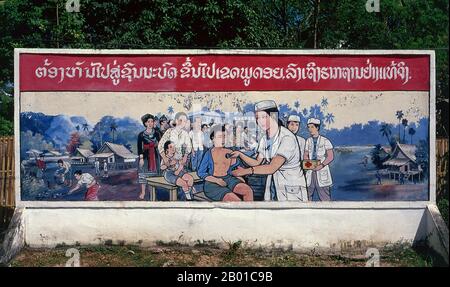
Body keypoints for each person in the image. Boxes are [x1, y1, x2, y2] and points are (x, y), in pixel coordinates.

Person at [230, 100, 308, 201]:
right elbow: (257, 162)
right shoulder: (264, 138)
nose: (260, 121)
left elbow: (272, 167)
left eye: (264, 117)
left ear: (274, 116)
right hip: (274, 185)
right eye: (257, 118)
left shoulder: (287, 137)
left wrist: (245, 171)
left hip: (292, 187)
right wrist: (240, 154)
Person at [197, 125, 253, 202]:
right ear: (213, 139)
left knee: (248, 190)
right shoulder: (208, 154)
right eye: (220, 137)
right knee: (236, 201)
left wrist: (239, 175)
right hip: (212, 183)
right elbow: (201, 173)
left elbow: (234, 168)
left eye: (224, 136)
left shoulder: (230, 152)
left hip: (228, 179)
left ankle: (250, 213)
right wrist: (217, 180)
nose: (223, 139)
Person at [304, 118, 334, 201]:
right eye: (309, 127)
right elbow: (305, 155)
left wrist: (321, 166)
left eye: (312, 127)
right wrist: (308, 164)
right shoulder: (308, 141)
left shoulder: (325, 141)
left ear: (317, 128)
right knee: (307, 196)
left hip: (322, 170)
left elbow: (330, 156)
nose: (310, 129)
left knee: (324, 196)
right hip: (310, 170)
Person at [158, 112, 193, 177]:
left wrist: (185, 156)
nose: (183, 122)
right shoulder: (169, 131)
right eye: (180, 120)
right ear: (176, 120)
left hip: (179, 162)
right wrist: (165, 159)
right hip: (169, 161)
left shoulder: (185, 133)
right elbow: (160, 145)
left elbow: (189, 146)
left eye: (184, 121)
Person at [137, 113, 161, 200]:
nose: (150, 123)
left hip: (155, 156)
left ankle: (153, 192)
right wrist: (141, 158)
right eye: (148, 122)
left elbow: (161, 144)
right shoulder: (141, 135)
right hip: (145, 156)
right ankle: (143, 192)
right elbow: (139, 148)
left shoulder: (157, 133)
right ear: (145, 123)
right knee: (143, 174)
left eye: (152, 121)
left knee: (154, 175)